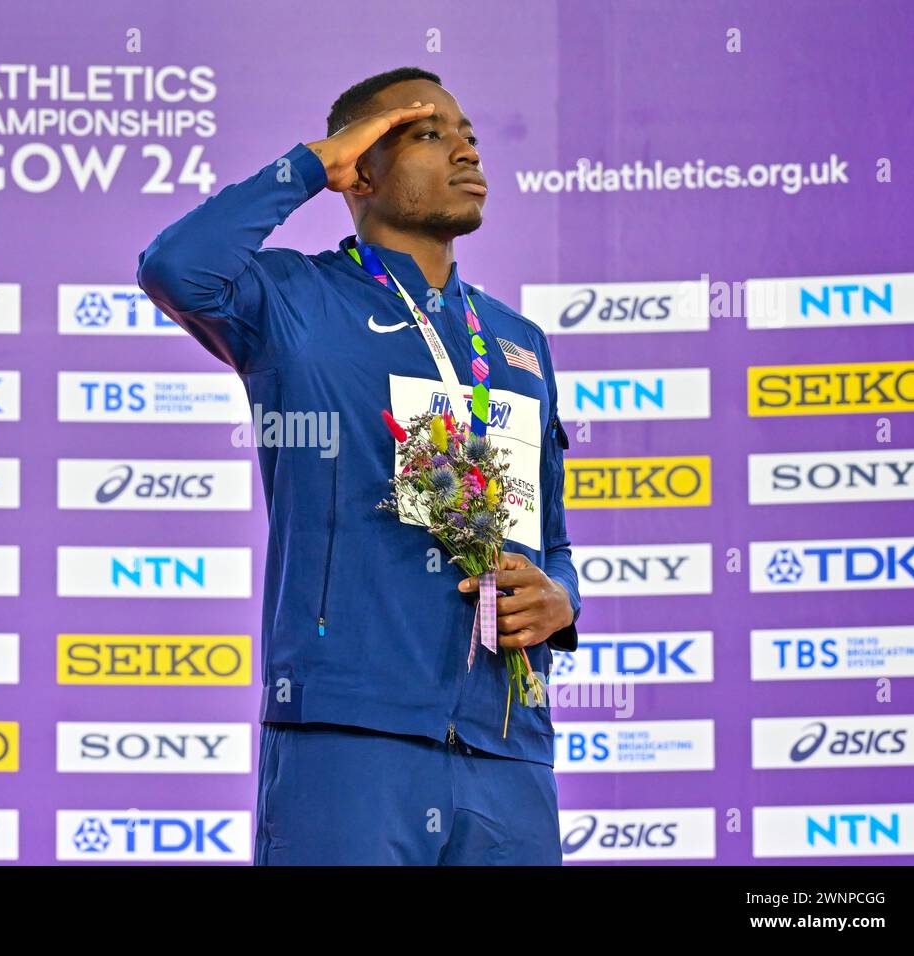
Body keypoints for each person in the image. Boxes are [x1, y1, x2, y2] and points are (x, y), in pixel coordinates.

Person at [137, 66, 581, 865]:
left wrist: (561, 601)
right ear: (363, 168)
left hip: (509, 749)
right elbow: (176, 268)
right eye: (428, 132)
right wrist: (310, 165)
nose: (466, 148)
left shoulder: (518, 342)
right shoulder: (296, 303)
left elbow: (550, 538)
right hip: (349, 739)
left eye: (470, 134)